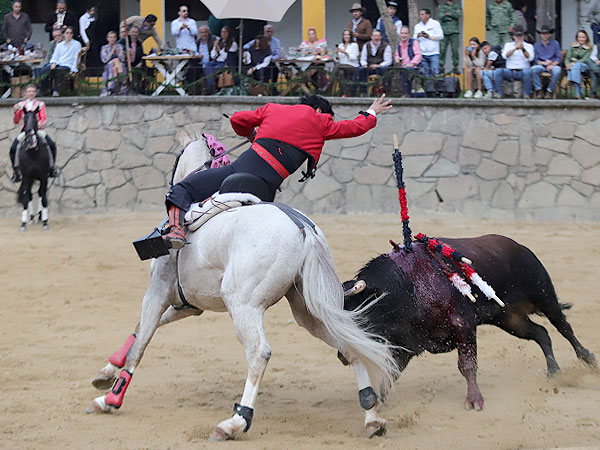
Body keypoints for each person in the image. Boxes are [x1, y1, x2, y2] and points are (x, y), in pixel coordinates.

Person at [161, 94, 393, 249]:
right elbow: (355, 127)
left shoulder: (273, 108)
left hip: (236, 171)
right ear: (320, 109)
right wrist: (371, 111)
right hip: (267, 188)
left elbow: (237, 119)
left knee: (183, 187)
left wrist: (251, 134)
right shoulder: (323, 122)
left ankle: (176, 230)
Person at [9, 84, 57, 182]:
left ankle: (52, 168)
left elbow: (44, 119)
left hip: (38, 130)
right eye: (29, 91)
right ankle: (16, 172)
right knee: (13, 149)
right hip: (25, 131)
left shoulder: (40, 104)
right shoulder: (21, 105)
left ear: (35, 93)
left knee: (51, 145)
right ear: (25, 93)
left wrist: (37, 126)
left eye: (33, 91)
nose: (31, 93)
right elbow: (16, 121)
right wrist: (15, 111)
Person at [494, 25, 534, 98]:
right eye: (517, 36)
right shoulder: (508, 45)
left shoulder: (529, 46)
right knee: (498, 72)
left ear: (523, 36)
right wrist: (515, 49)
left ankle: (526, 94)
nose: (518, 38)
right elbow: (505, 56)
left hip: (523, 71)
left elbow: (530, 58)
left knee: (527, 72)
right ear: (513, 36)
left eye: (520, 36)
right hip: (510, 71)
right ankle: (499, 93)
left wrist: (523, 49)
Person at [47, 26, 82, 96]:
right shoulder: (59, 45)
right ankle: (44, 90)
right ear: (64, 34)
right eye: (67, 33)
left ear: (72, 35)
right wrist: (53, 63)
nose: (69, 35)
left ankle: (56, 90)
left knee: (59, 71)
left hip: (68, 65)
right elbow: (55, 56)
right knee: (44, 69)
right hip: (58, 63)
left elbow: (77, 59)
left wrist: (73, 69)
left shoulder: (77, 44)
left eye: (70, 33)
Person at [531, 25, 562, 99]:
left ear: (549, 34)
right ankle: (539, 89)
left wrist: (552, 64)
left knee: (557, 71)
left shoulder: (555, 43)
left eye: (546, 33)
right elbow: (536, 59)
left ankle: (550, 90)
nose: (545, 35)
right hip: (542, 65)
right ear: (540, 35)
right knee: (533, 69)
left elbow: (559, 57)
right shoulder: (536, 45)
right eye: (543, 34)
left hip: (552, 65)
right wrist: (544, 63)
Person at [205, 25, 238, 93]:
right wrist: (215, 48)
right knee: (207, 65)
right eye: (222, 32)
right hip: (216, 61)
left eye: (225, 32)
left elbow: (226, 57)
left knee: (214, 69)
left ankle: (211, 88)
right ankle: (211, 85)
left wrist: (220, 50)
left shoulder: (233, 44)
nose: (223, 34)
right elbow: (213, 56)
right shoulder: (219, 42)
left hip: (225, 63)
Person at [359, 29, 392, 94]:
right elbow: (363, 58)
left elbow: (388, 61)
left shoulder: (386, 46)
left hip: (380, 67)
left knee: (385, 70)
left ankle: (385, 92)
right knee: (361, 70)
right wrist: (365, 64)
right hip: (369, 67)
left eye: (378, 36)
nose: (376, 38)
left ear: (381, 37)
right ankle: (363, 92)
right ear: (371, 37)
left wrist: (379, 65)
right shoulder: (366, 45)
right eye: (374, 36)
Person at [413, 9, 443, 77]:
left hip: (433, 52)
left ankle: (435, 87)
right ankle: (427, 87)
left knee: (434, 72)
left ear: (428, 15)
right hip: (422, 52)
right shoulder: (417, 26)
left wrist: (428, 36)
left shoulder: (435, 23)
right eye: (420, 14)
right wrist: (418, 35)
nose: (420, 16)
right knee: (425, 73)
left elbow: (441, 36)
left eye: (422, 14)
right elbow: (414, 38)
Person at [394, 25, 422, 97]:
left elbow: (418, 55)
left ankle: (408, 94)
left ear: (409, 34)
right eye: (402, 33)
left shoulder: (414, 42)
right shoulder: (399, 44)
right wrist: (397, 59)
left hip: (414, 67)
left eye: (406, 33)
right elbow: (396, 55)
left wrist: (411, 63)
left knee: (407, 72)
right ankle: (405, 93)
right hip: (403, 67)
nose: (404, 35)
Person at [566, 30, 593, 99]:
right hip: (575, 68)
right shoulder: (572, 46)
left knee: (577, 66)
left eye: (583, 37)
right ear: (577, 38)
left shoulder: (589, 47)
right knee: (576, 71)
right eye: (580, 37)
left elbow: (585, 59)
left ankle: (570, 79)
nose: (581, 39)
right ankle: (578, 95)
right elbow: (567, 57)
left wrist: (573, 63)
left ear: (586, 38)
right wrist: (567, 64)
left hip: (586, 67)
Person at [438, 0, 462, 74]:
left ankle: (456, 66)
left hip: (454, 31)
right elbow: (441, 16)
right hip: (444, 32)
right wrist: (452, 14)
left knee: (455, 50)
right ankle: (441, 66)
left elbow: (458, 15)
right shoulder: (442, 6)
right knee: (442, 50)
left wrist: (447, 14)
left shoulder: (457, 6)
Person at [334, 29, 360, 96]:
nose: (346, 36)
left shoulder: (354, 45)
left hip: (352, 66)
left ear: (351, 36)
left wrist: (345, 52)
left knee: (337, 66)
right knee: (340, 73)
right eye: (345, 35)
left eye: (348, 35)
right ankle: (346, 93)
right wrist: (336, 54)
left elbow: (354, 58)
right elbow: (338, 59)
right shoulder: (341, 45)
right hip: (342, 66)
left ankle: (328, 84)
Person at [100, 31, 125, 96]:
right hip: (108, 66)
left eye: (114, 37)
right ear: (107, 39)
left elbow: (122, 59)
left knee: (115, 66)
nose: (112, 39)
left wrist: (117, 53)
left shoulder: (120, 46)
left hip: (118, 66)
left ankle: (112, 87)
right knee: (114, 62)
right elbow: (104, 60)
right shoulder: (104, 47)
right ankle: (120, 76)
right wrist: (111, 52)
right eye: (110, 37)